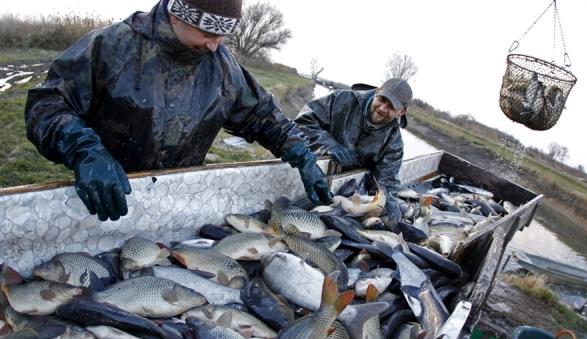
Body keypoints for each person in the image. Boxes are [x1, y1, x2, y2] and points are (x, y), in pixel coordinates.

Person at [24, 0, 332, 222]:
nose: (214, 45)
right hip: (104, 197)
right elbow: (46, 106)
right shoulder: (111, 45)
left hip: (174, 203)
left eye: (222, 35)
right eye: (207, 33)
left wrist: (302, 154)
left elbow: (264, 117)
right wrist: (83, 151)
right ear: (178, 13)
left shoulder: (225, 68)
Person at [295, 78, 413, 221]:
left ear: (402, 111)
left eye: (391, 107)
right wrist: (327, 144)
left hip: (347, 194)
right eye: (382, 99)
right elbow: (303, 121)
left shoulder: (394, 142)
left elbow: (386, 179)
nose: (382, 108)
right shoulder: (343, 99)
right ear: (377, 91)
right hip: (310, 172)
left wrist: (389, 201)